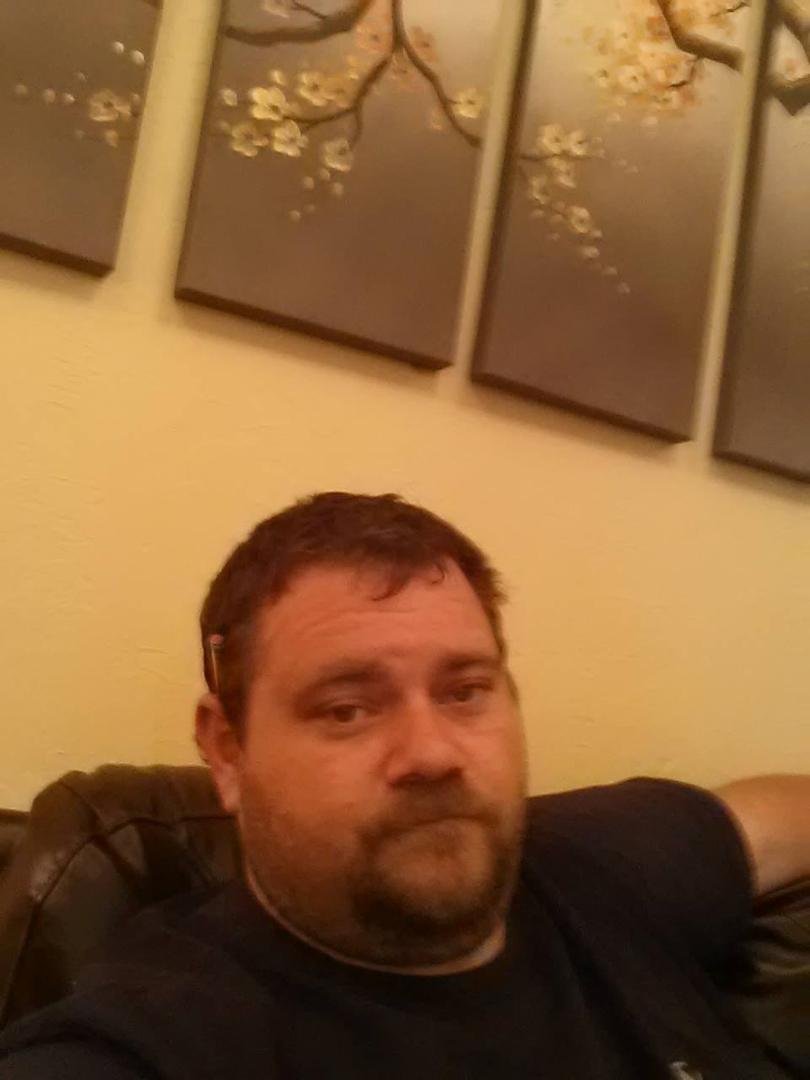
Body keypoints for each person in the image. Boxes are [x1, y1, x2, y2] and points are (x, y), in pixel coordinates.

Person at [0, 492, 808, 1079]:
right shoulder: (164, 1037)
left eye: (465, 691)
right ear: (227, 750)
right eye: (346, 708)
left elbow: (781, 814)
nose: (432, 754)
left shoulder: (603, 859)